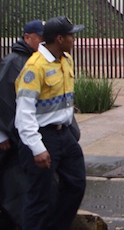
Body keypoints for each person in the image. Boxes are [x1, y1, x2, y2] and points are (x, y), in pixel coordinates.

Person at [14, 16, 86, 230]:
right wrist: (37, 148)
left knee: (76, 184)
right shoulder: (34, 68)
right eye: (71, 36)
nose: (74, 40)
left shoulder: (66, 59)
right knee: (39, 199)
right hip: (42, 136)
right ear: (60, 38)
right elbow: (23, 114)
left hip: (64, 134)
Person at [0, 19, 44, 228]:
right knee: (13, 188)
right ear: (27, 37)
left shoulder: (36, 60)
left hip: (25, 137)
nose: (45, 42)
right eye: (41, 37)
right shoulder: (13, 62)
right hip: (11, 139)